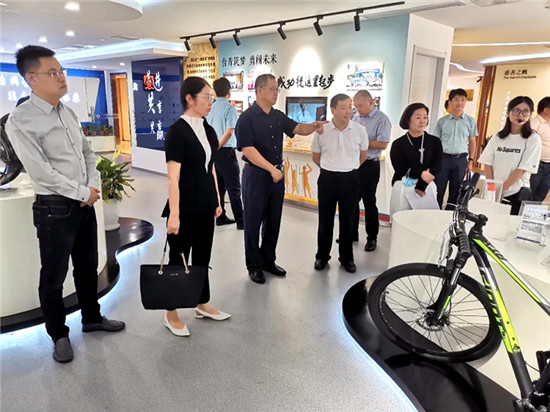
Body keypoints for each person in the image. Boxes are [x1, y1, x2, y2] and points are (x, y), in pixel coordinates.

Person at [5, 45, 124, 363]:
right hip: (54, 210)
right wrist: (82, 192)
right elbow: (41, 171)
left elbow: (87, 153)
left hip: (84, 204)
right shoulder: (21, 121)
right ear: (31, 78)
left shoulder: (67, 112)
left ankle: (92, 318)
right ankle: (58, 334)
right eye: (53, 72)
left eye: (61, 71)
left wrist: (92, 186)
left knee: (87, 267)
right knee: (54, 276)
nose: (61, 77)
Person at [235, 73, 326, 284]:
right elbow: (248, 150)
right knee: (253, 222)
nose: (276, 93)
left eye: (277, 89)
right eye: (272, 89)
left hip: (276, 176)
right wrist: (271, 169)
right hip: (256, 175)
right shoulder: (247, 118)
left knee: (273, 220)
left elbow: (298, 128)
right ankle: (254, 266)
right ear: (259, 90)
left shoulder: (278, 116)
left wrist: (314, 126)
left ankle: (268, 260)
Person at [162, 76, 231, 336]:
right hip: (184, 207)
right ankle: (171, 313)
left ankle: (201, 304)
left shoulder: (208, 129)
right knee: (178, 260)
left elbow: (210, 168)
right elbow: (173, 177)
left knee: (203, 257)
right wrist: (174, 214)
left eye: (211, 97)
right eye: (206, 97)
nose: (210, 102)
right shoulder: (177, 132)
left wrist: (217, 199)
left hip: (205, 205)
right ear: (189, 98)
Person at [311, 94, 369, 273]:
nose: (348, 111)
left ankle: (347, 258)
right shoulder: (322, 130)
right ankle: (322, 256)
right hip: (327, 179)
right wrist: (330, 168)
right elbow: (316, 156)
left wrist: (348, 168)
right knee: (325, 220)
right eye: (343, 107)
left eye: (350, 107)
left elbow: (363, 155)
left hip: (350, 179)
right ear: (333, 110)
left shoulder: (359, 130)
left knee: (348, 220)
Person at [479, 96, 541, 215]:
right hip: (494, 192)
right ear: (508, 112)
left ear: (530, 114)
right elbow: (487, 163)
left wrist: (500, 191)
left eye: (525, 111)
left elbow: (521, 170)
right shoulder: (497, 137)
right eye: (516, 110)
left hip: (515, 193)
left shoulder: (533, 139)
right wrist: (492, 190)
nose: (520, 115)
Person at [351, 90, 392, 252]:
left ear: (371, 103)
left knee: (369, 202)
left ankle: (372, 237)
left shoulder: (382, 119)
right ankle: (352, 233)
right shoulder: (356, 118)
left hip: (369, 165)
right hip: (354, 164)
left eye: (360, 106)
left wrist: (361, 142)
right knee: (352, 200)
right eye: (356, 106)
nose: (358, 109)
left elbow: (382, 144)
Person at [390, 103, 443, 217]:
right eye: (418, 117)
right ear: (408, 119)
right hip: (403, 186)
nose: (422, 121)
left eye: (425, 117)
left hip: (427, 187)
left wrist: (422, 185)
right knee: (402, 220)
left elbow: (437, 165)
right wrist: (421, 173)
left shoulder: (435, 142)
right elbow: (400, 167)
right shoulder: (398, 144)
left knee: (425, 220)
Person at [205, 77, 244, 229]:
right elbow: (229, 132)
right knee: (234, 188)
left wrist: (213, 147)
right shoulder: (229, 108)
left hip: (214, 152)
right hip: (225, 151)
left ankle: (220, 217)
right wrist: (218, 146)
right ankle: (241, 221)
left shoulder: (211, 107)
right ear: (229, 91)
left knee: (219, 186)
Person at [433, 88, 478, 209]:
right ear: (450, 102)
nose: (460, 103)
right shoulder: (442, 121)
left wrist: (471, 160)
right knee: (438, 189)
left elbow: (472, 141)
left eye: (463, 100)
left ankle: (450, 215)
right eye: (457, 99)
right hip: (443, 159)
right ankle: (435, 213)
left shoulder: (470, 121)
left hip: (460, 160)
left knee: (456, 191)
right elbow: (436, 142)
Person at [529, 97, 550, 202]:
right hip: (537, 165)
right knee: (530, 194)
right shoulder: (535, 123)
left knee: (541, 195)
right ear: (546, 110)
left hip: (548, 166)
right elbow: (530, 143)